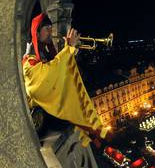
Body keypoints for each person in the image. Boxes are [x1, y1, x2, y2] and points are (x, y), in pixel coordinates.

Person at [22, 13, 108, 147]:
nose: (50, 32)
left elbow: (61, 71)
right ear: (36, 33)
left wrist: (72, 50)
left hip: (50, 108)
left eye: (51, 28)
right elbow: (46, 77)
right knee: (66, 119)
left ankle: (94, 135)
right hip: (41, 116)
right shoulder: (29, 59)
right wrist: (68, 50)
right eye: (46, 29)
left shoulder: (45, 51)